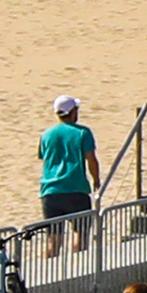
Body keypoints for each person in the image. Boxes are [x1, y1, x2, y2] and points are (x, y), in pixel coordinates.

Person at [39, 96, 101, 225]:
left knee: (53, 238)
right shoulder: (83, 132)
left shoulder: (46, 134)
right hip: (76, 188)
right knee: (80, 235)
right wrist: (96, 179)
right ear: (72, 112)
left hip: (50, 190)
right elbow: (91, 160)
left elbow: (45, 159)